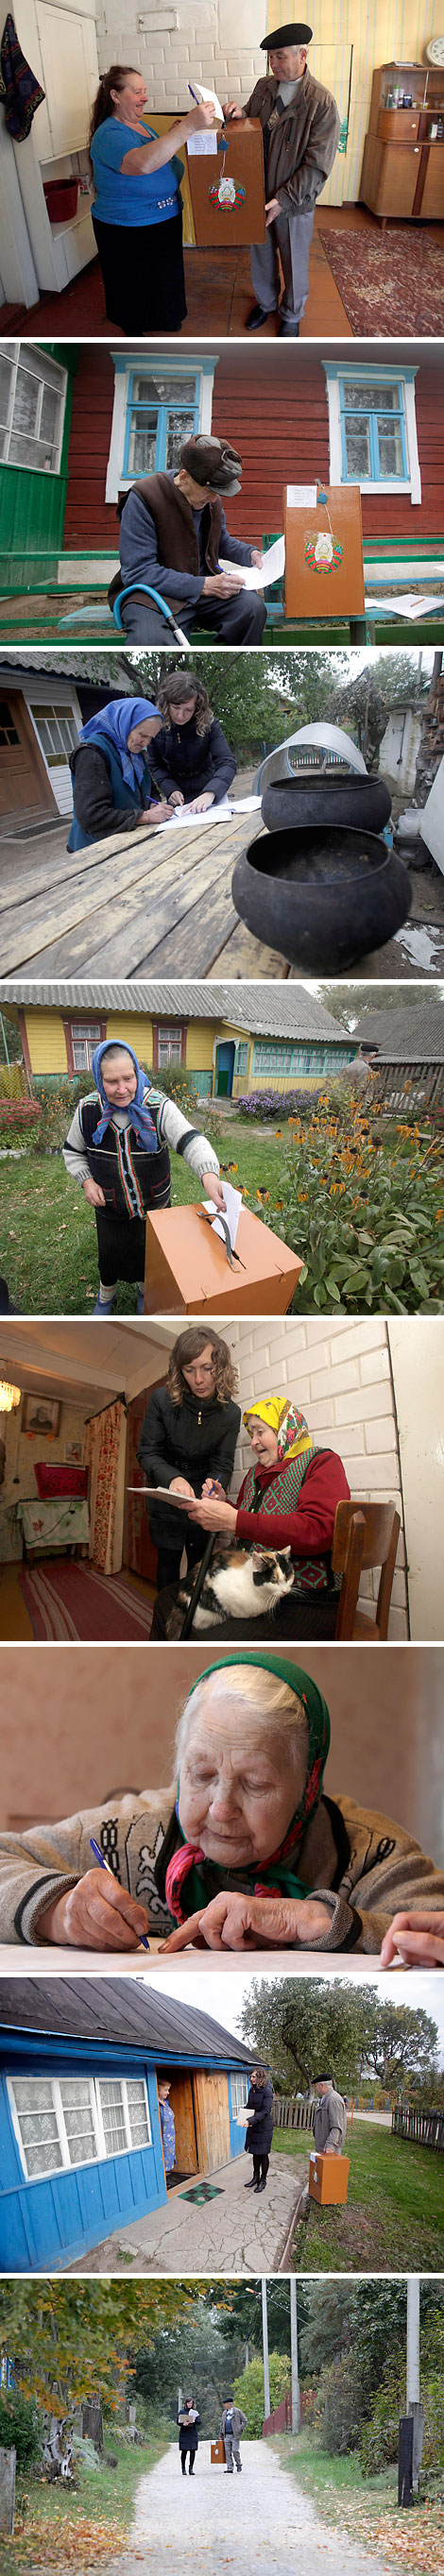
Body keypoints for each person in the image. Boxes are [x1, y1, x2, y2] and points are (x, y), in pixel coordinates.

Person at [4, 1655, 444, 1959]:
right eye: (201, 1776)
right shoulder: (128, 1831)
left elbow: (434, 1930)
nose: (219, 1810)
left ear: (308, 1788)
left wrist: (316, 1919)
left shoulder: (373, 1854)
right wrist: (57, 1910)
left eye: (255, 1784)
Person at [62, 1039, 224, 1316]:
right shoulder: (87, 1110)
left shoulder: (157, 1106)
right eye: (112, 1081)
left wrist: (208, 1174)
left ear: (137, 1072)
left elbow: (190, 1139)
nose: (122, 1089)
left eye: (128, 1078)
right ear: (99, 1080)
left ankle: (144, 1291)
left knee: (149, 1257)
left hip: (155, 1206)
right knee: (110, 1256)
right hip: (110, 1208)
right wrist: (87, 1181)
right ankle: (106, 1296)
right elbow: (73, 1152)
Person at [178, 1395, 350, 1637]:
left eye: (260, 1431)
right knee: (170, 1600)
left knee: (209, 1635)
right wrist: (222, 1505)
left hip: (301, 1594)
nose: (253, 1442)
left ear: (286, 1430)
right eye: (251, 1434)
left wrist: (234, 1520)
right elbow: (249, 1521)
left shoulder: (321, 1462)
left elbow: (318, 1530)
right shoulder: (254, 1474)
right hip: (253, 1586)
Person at [224, 23, 339, 337]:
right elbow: (251, 120)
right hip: (258, 191)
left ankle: (291, 314)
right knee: (261, 255)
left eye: (280, 57)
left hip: (294, 201)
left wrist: (283, 200)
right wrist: (238, 114)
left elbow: (317, 166)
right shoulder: (264, 87)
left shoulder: (321, 103)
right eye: (270, 58)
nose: (273, 65)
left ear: (302, 55)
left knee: (294, 261)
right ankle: (265, 303)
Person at [89, 64, 215, 332]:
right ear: (115, 96)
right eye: (137, 92)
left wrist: (174, 134)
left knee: (163, 277)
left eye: (144, 91)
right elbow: (141, 164)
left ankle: (165, 317)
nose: (144, 97)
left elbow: (159, 155)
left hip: (164, 218)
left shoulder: (141, 126)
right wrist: (188, 127)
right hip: (128, 226)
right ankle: (132, 325)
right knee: (132, 282)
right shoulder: (109, 134)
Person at [109, 432, 267, 645]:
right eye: (208, 491)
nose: (213, 498)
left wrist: (251, 554)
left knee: (252, 609)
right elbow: (139, 571)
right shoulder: (144, 497)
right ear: (183, 477)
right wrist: (204, 585)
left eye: (217, 493)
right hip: (153, 596)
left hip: (204, 590)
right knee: (148, 639)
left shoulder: (210, 500)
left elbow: (221, 542)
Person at [137, 1327, 241, 1596]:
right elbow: (148, 1452)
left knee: (199, 1569)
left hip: (203, 1500)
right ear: (178, 1371)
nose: (199, 1379)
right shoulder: (161, 1399)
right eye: (189, 1370)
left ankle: (191, 1627)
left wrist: (216, 1485)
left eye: (207, 1368)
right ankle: (166, 1627)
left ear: (220, 1365)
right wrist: (173, 1478)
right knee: (168, 1564)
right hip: (166, 1492)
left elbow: (223, 1463)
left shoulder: (231, 1413)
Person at [67, 697, 175, 852]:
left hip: (125, 840)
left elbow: (148, 790)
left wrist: (153, 805)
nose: (146, 743)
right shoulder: (91, 754)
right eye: (142, 735)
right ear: (125, 723)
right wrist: (146, 816)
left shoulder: (132, 750)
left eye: (151, 738)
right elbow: (92, 817)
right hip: (93, 849)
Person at [150, 671, 237, 812]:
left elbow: (227, 762)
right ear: (166, 703)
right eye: (176, 707)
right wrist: (170, 790)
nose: (180, 715)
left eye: (188, 709)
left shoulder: (210, 724)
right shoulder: (155, 726)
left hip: (209, 788)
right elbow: (156, 766)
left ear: (197, 706)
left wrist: (211, 792)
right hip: (177, 795)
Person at [244, 2064, 274, 2193]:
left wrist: (250, 2120)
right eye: (250, 2076)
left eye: (254, 2076)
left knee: (263, 2154)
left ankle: (263, 2180)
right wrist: (242, 2115)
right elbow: (249, 2106)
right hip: (254, 2125)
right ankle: (255, 2177)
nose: (251, 2079)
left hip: (264, 2127)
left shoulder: (267, 2091)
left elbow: (265, 2111)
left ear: (260, 2077)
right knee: (255, 2153)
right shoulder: (252, 2090)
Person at [312, 2073, 347, 2156]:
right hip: (324, 2144)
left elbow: (337, 2126)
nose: (316, 2088)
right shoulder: (326, 2097)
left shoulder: (333, 2099)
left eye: (316, 2086)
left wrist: (330, 2144)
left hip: (329, 2148)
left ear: (322, 2085)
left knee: (330, 2168)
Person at [220, 2398, 247, 2471]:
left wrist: (239, 2428)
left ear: (229, 2404)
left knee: (235, 2450)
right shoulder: (224, 2413)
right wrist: (221, 2433)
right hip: (226, 2435)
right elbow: (222, 2423)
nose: (224, 2405)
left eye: (225, 2404)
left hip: (235, 2435)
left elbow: (245, 2421)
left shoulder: (238, 2412)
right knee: (227, 2452)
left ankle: (238, 2464)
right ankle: (230, 2468)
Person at [177, 2396, 200, 2475]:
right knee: (184, 2451)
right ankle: (183, 2468)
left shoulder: (195, 2412)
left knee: (193, 2450)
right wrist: (183, 2424)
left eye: (191, 2403)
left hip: (192, 2432)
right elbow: (178, 2421)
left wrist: (195, 2420)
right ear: (186, 2403)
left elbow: (199, 2422)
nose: (190, 2404)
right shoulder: (182, 2411)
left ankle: (191, 2468)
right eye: (188, 2403)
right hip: (184, 2432)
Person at [158, 2078, 177, 2179]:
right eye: (165, 2090)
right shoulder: (157, 2105)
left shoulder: (165, 2102)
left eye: (168, 2090)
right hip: (163, 2139)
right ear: (158, 2090)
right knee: (162, 2159)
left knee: (168, 2158)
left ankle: (166, 2179)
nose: (168, 2093)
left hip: (170, 2139)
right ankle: (163, 2181)